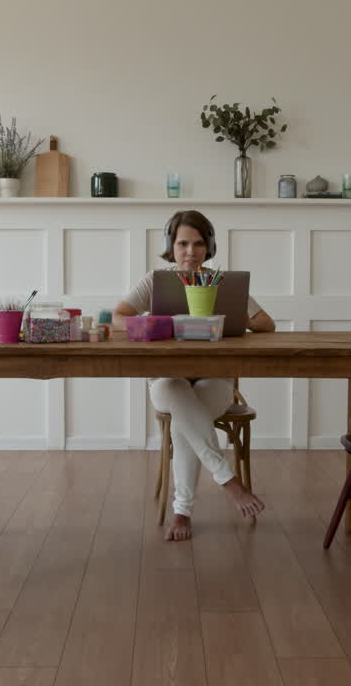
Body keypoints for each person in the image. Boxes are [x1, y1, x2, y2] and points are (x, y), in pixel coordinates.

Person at [113, 210, 273, 541]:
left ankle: (182, 512)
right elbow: (119, 316)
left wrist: (230, 315)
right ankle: (228, 481)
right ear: (170, 246)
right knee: (177, 392)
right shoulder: (154, 280)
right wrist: (147, 324)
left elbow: (266, 324)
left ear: (209, 246)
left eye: (199, 244)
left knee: (188, 416)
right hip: (167, 381)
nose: (190, 251)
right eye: (183, 243)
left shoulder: (220, 282)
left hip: (214, 379)